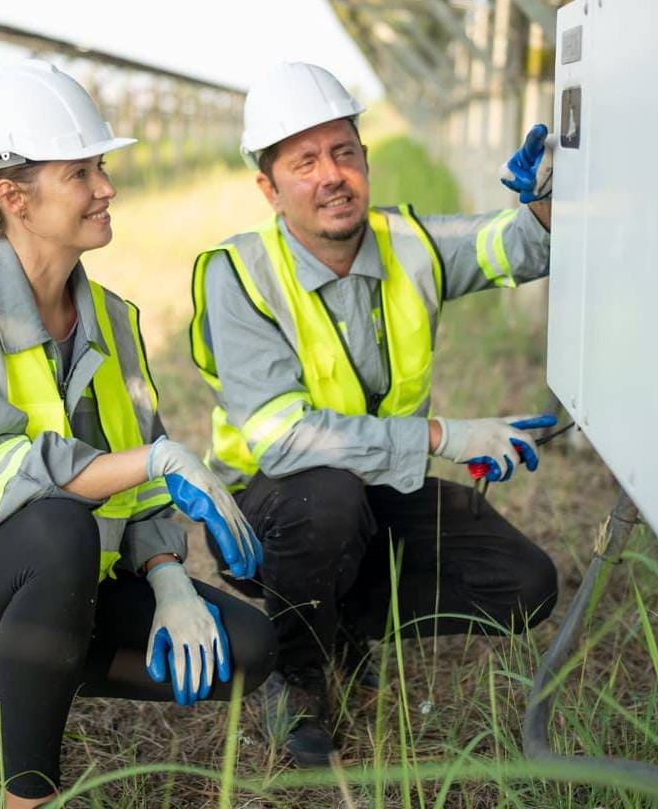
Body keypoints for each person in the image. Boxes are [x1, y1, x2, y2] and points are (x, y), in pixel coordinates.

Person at [0, 60, 275, 807]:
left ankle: (20, 681)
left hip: (51, 588)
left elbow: (142, 496)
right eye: (82, 172)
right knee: (56, 525)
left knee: (248, 646)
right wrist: (156, 458)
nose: (107, 187)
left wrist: (171, 579)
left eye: (101, 166)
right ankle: (28, 797)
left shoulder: (112, 320)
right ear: (13, 196)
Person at [189, 61, 558, 766]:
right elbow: (283, 439)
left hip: (377, 489)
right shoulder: (236, 275)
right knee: (324, 495)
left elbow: (513, 244)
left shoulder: (409, 244)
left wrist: (550, 198)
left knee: (525, 583)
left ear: (365, 161)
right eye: (304, 162)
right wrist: (445, 436)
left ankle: (338, 625)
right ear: (268, 188)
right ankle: (297, 675)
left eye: (344, 152)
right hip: (270, 509)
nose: (331, 175)